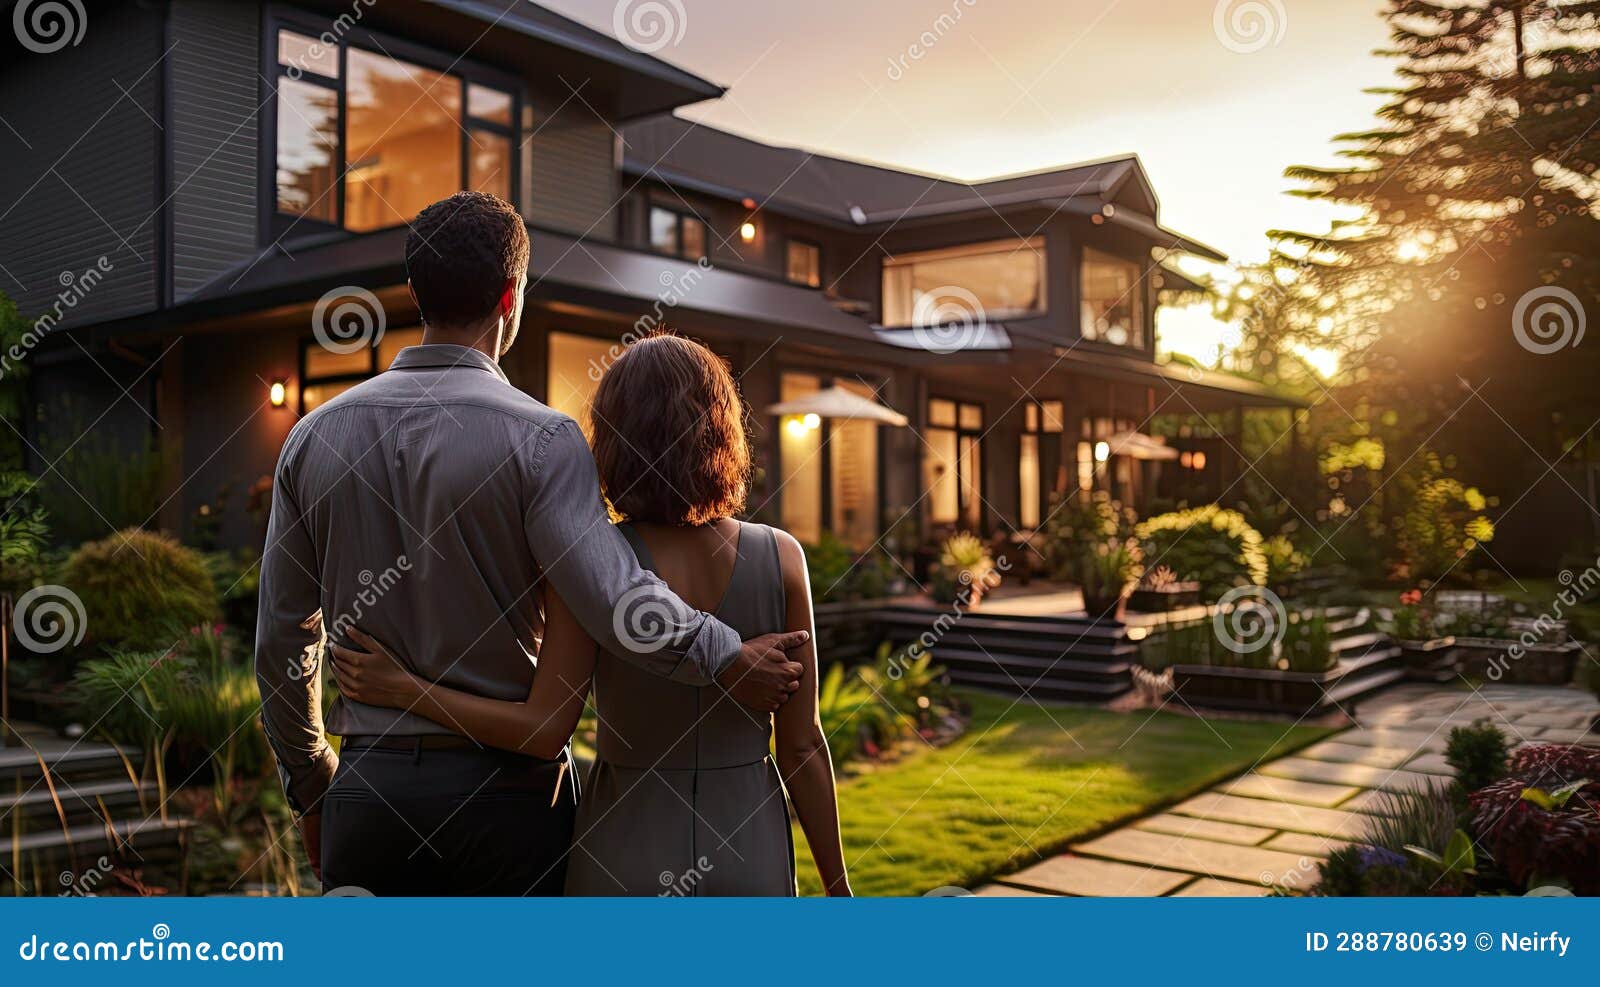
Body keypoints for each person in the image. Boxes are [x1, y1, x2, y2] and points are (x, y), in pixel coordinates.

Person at [253, 192, 806, 896]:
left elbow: (281, 641)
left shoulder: (312, 438)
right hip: (507, 803)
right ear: (510, 297)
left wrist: (312, 781)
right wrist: (725, 654)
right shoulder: (542, 440)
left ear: (416, 292)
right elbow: (614, 598)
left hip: (371, 793)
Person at [331, 332, 851, 897]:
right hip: (749, 849)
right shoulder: (782, 558)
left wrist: (407, 689)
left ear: (613, 441)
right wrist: (839, 887)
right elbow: (803, 746)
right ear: (722, 433)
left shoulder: (591, 564)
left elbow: (541, 730)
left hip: (622, 849)